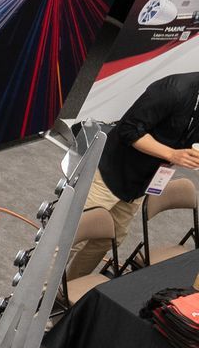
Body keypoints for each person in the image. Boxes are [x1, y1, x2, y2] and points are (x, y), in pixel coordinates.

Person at [64, 71, 199, 280]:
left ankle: (65, 291)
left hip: (141, 183)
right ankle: (30, 300)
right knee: (70, 238)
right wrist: (173, 154)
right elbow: (128, 129)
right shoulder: (174, 89)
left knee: (109, 239)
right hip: (110, 171)